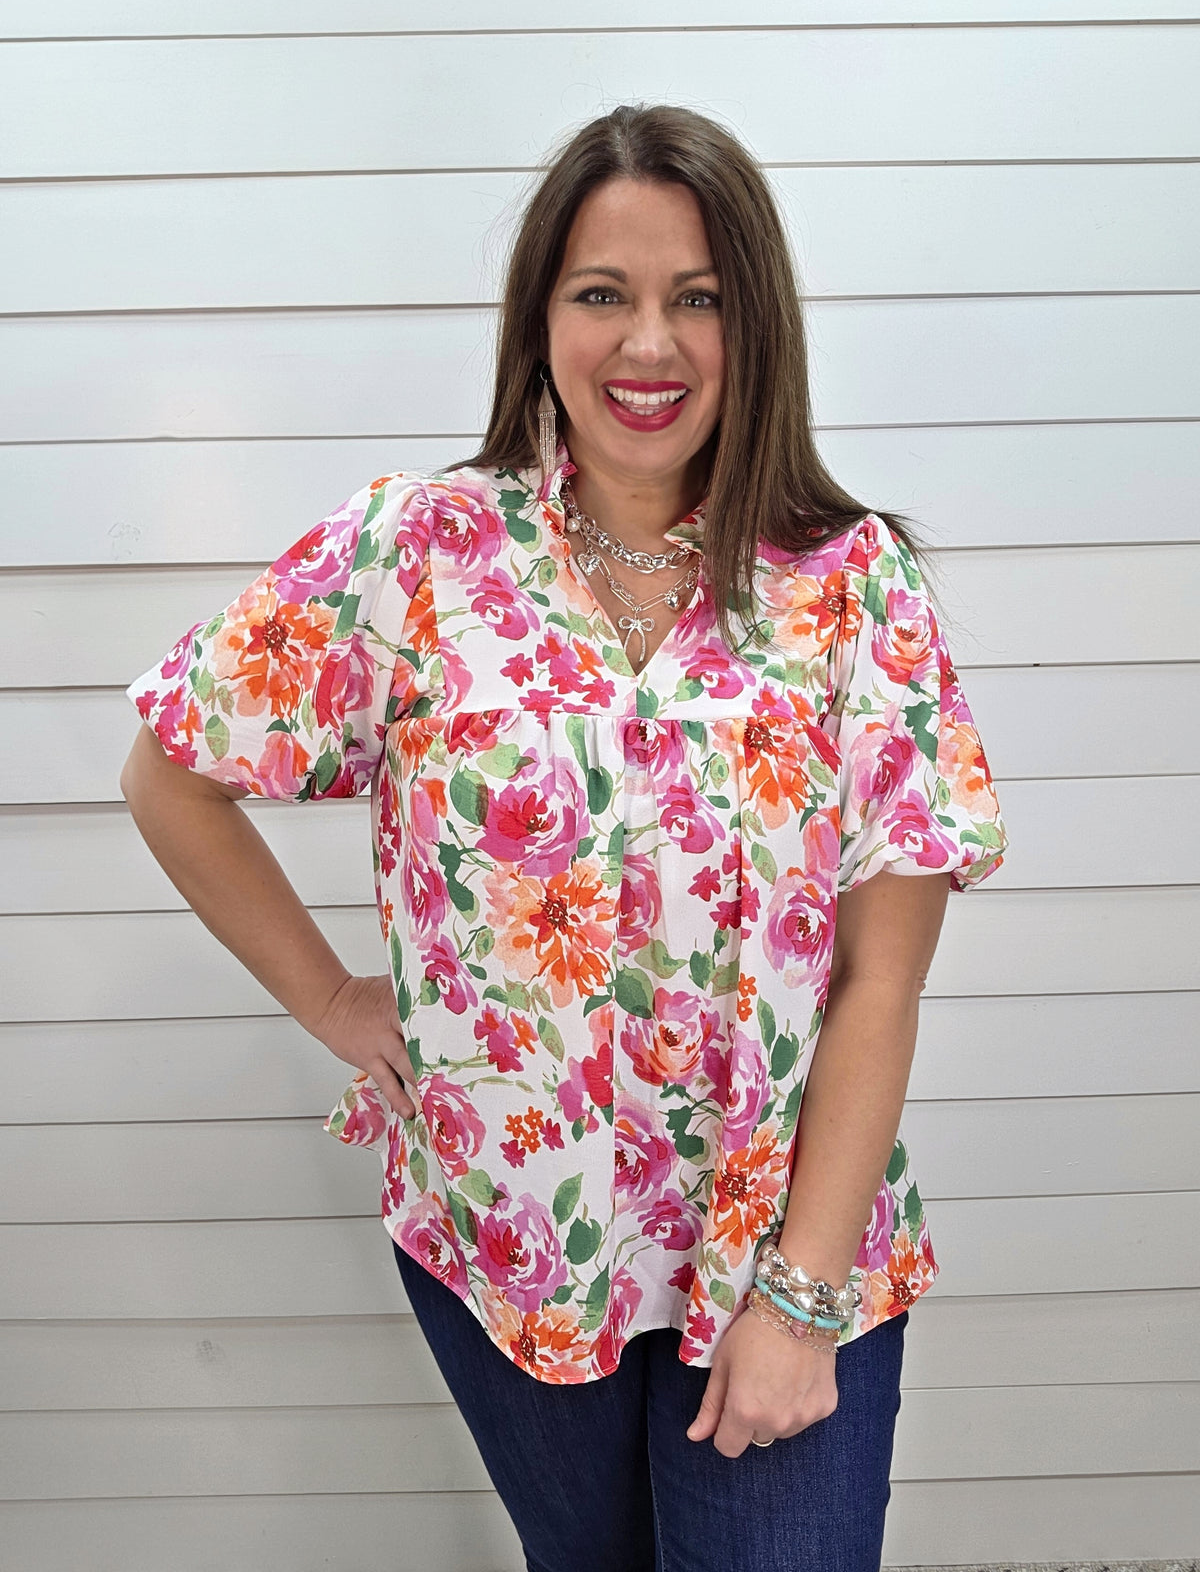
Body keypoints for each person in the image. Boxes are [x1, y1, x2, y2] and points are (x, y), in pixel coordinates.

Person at [121, 103, 1008, 1572]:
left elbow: (879, 978)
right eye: (604, 293)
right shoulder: (417, 553)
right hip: (509, 1237)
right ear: (540, 318)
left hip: (784, 1240)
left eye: (698, 298)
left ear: (758, 324)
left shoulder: (855, 587)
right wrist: (334, 1001)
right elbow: (173, 772)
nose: (648, 344)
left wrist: (797, 1305)